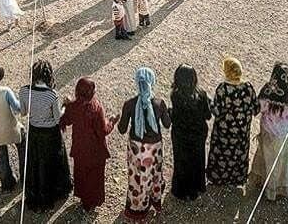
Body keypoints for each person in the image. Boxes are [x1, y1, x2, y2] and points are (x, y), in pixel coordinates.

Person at [118, 67, 171, 220]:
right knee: (154, 174)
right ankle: (155, 198)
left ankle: (138, 206)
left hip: (136, 148)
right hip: (154, 148)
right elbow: (167, 125)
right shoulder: (159, 103)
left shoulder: (129, 104)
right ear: (152, 82)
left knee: (137, 177)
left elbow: (122, 129)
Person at [19, 60, 72, 211]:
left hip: (34, 131)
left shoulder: (24, 91)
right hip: (50, 133)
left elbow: (23, 113)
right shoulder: (52, 95)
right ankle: (53, 191)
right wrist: (64, 106)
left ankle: (35, 191)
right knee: (50, 162)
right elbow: (57, 119)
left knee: (35, 163)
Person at [60, 77, 118, 211]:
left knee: (81, 174)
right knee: (95, 177)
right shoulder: (96, 108)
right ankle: (93, 201)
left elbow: (66, 121)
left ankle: (84, 200)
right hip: (96, 151)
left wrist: (66, 104)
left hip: (80, 149)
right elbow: (103, 131)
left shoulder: (74, 106)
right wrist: (112, 121)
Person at [206, 57, 260, 186]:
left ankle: (218, 177)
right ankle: (237, 178)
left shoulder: (223, 89)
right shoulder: (248, 87)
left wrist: (208, 102)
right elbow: (256, 109)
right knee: (239, 154)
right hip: (241, 132)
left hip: (224, 133)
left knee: (222, 154)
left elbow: (216, 111)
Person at [250, 62, 288, 201]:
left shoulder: (268, 89)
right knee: (280, 160)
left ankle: (266, 186)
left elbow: (261, 108)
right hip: (284, 131)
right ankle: (279, 187)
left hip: (268, 130)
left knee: (266, 157)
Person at [169, 64, 211, 201]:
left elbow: (175, 116)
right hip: (198, 133)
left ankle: (180, 190)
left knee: (181, 161)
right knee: (197, 160)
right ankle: (196, 187)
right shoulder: (201, 94)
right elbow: (208, 115)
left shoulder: (175, 95)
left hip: (180, 134)